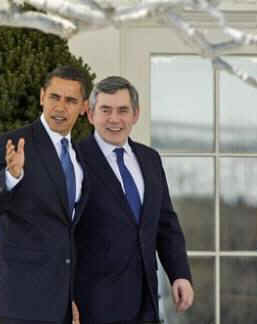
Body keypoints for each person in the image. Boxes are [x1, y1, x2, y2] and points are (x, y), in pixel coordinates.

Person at [0, 66, 89, 324]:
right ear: (41, 97)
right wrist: (11, 176)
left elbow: (69, 232)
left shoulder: (79, 156)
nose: (60, 107)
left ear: (83, 107)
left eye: (70, 100)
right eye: (54, 97)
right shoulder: (14, 142)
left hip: (63, 304)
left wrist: (73, 296)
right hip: (22, 301)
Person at [74, 76, 194, 324]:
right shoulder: (75, 159)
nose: (114, 119)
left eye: (123, 110)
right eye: (105, 110)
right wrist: (65, 297)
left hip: (146, 302)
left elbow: (165, 223)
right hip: (92, 305)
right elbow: (61, 233)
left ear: (135, 115)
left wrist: (179, 274)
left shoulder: (150, 159)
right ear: (90, 113)